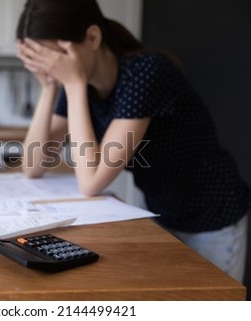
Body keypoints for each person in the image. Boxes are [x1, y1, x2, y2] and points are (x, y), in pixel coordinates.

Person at [16, 0, 250, 282]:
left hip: (211, 214)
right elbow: (33, 165)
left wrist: (73, 84)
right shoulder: (79, 84)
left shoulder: (145, 72)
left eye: (56, 58)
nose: (53, 68)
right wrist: (50, 86)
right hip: (163, 211)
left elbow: (92, 181)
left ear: (92, 38)